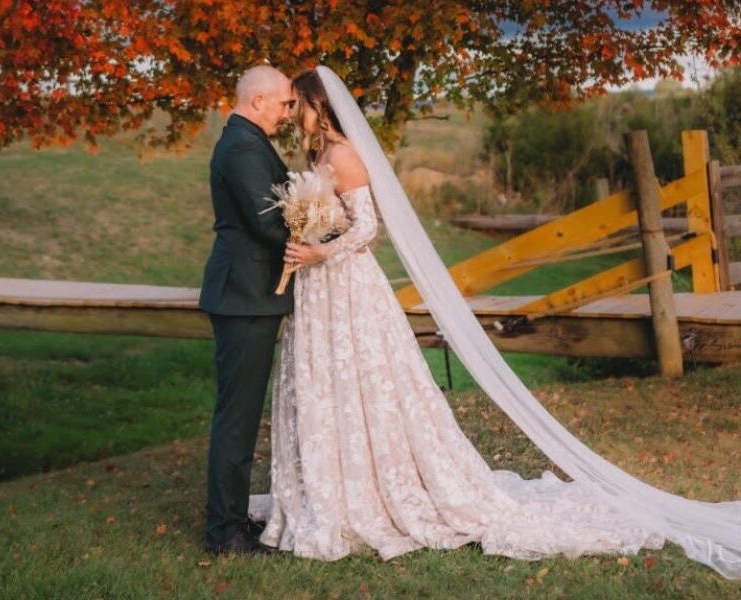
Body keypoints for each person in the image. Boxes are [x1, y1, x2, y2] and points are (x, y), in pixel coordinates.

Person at [252, 68, 665, 562]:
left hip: (348, 289)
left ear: (322, 106)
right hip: (318, 292)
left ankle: (380, 489)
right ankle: (328, 490)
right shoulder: (316, 154)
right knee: (323, 385)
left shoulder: (343, 153)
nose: (295, 113)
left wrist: (322, 253)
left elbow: (367, 228)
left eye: (299, 104)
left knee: (365, 382)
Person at [198, 65, 296, 555]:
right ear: (257, 101)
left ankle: (232, 520)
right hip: (243, 296)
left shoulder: (247, 139)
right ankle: (225, 533)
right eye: (283, 104)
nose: (288, 112)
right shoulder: (240, 144)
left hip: (250, 294)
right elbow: (266, 221)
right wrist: (321, 239)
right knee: (236, 418)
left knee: (241, 414)